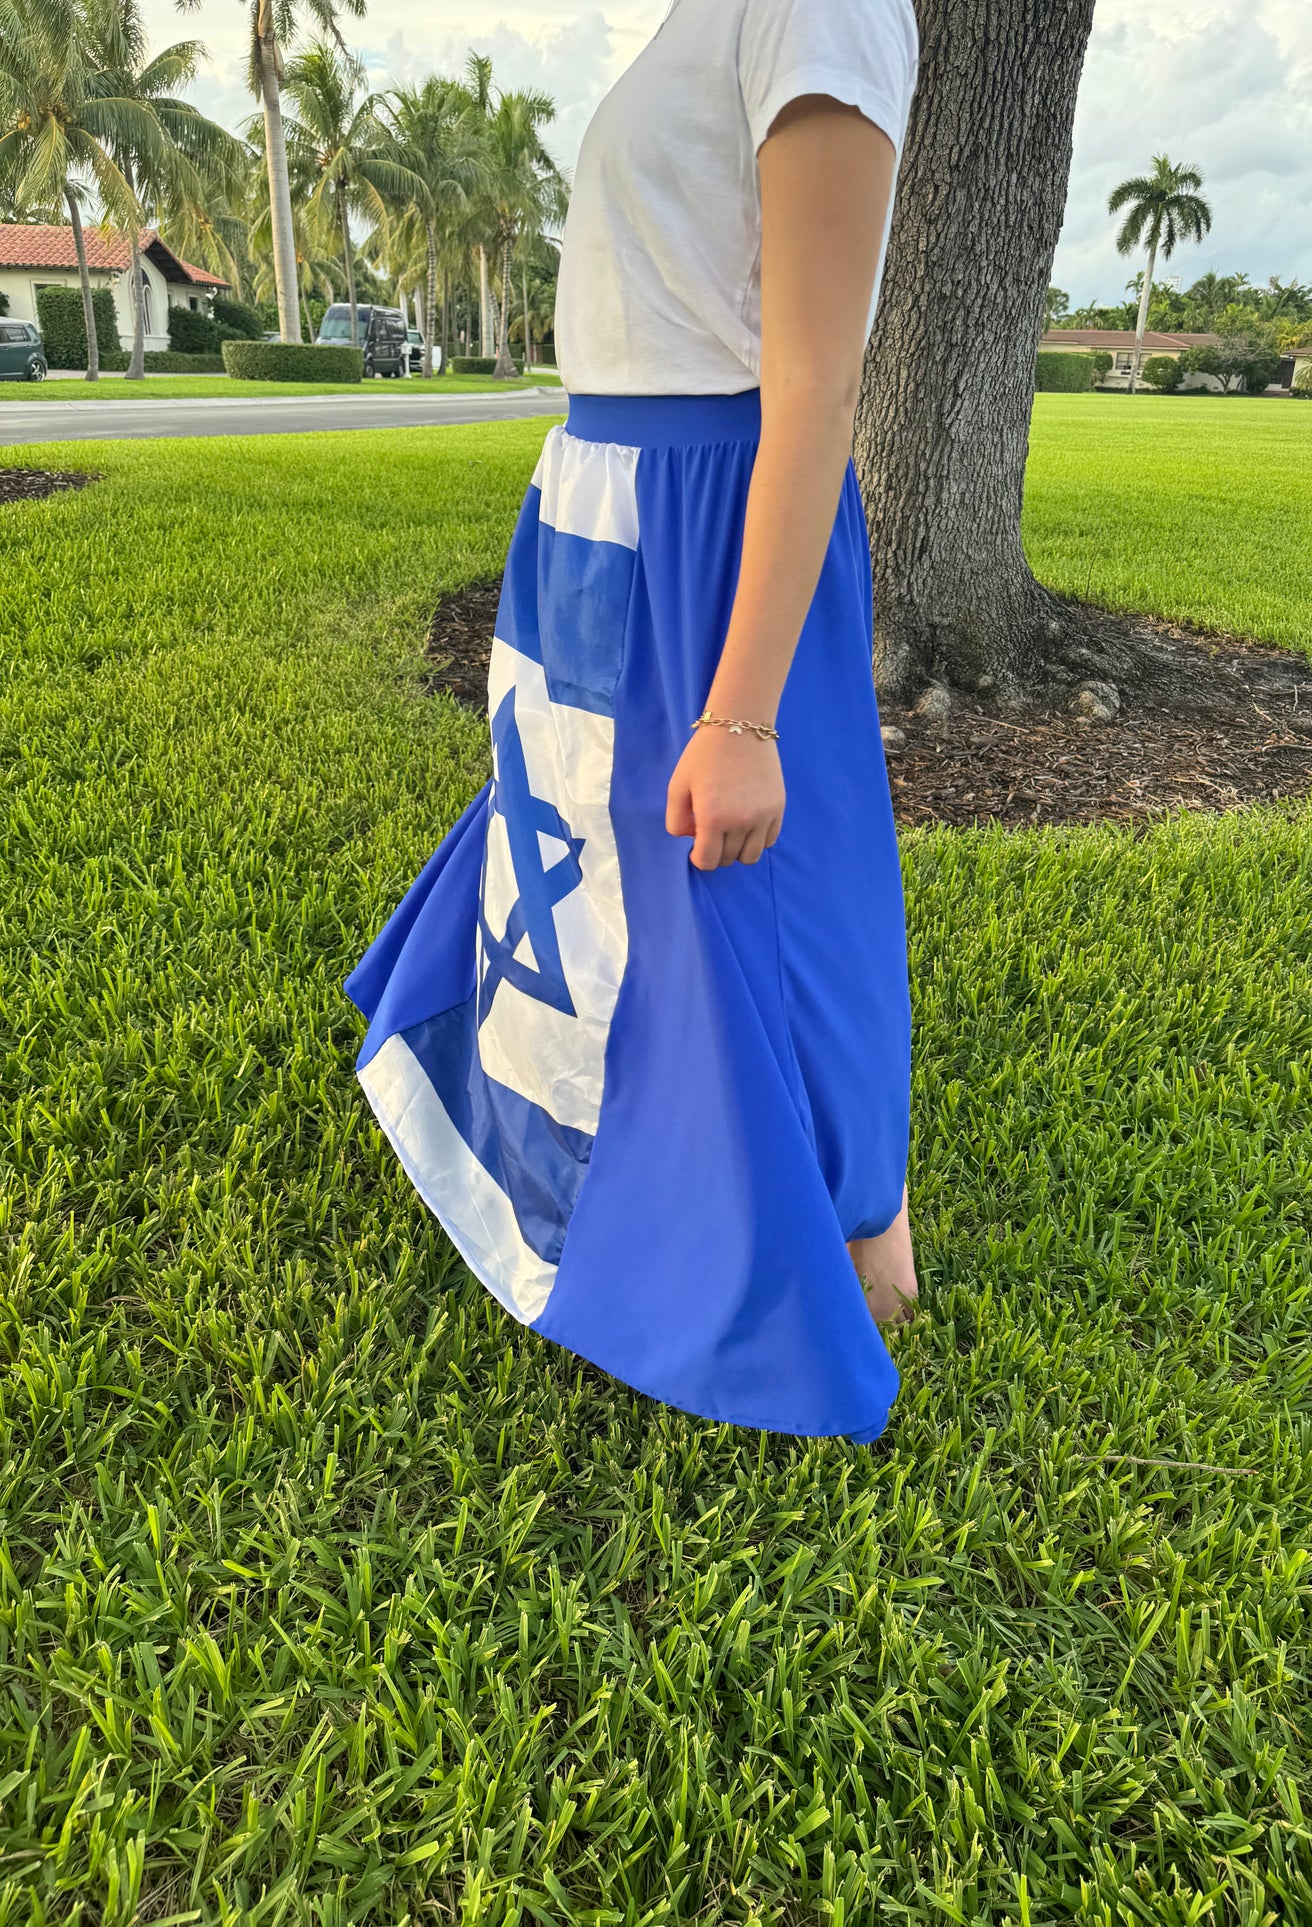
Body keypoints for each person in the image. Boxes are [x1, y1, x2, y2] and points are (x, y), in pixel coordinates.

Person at [346, 0, 920, 1443]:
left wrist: (742, 713)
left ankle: (857, 1230)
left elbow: (814, 381)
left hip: (702, 512)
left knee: (766, 875)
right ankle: (634, 1168)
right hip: (602, 502)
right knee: (596, 869)